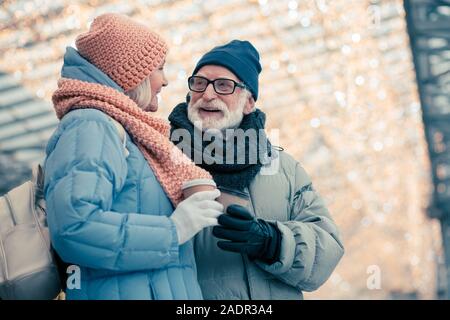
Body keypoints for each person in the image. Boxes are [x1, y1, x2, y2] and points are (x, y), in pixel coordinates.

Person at [44, 13, 223, 300]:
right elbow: (75, 227)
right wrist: (174, 230)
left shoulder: (134, 134)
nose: (164, 81)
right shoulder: (92, 125)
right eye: (159, 68)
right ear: (131, 74)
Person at [169, 40, 344, 299]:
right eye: (199, 82)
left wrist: (272, 242)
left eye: (223, 86)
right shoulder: (163, 155)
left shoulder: (284, 169)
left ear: (249, 101)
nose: (207, 94)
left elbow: (327, 249)